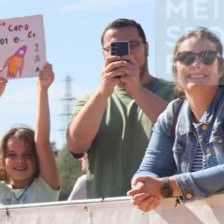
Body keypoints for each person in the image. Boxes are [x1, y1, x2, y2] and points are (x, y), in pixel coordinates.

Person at [67, 18, 175, 198]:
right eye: (114, 48)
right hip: (109, 214)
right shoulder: (90, 101)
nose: (127, 54)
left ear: (146, 48)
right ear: (104, 53)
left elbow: (183, 132)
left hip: (164, 209)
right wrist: (103, 93)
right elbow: (76, 145)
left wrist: (136, 90)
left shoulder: (175, 93)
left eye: (132, 45)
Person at [129, 27, 224, 210]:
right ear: (175, 68)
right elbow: (149, 169)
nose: (196, 64)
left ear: (220, 68)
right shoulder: (171, 115)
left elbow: (163, 185)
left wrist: (168, 187)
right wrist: (142, 186)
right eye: (186, 58)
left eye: (207, 57)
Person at [0, 63, 61, 206]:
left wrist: (42, 90)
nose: (20, 160)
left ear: (37, 159)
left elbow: (42, 142)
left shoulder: (46, 187)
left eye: (28, 154)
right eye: (12, 155)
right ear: (3, 160)